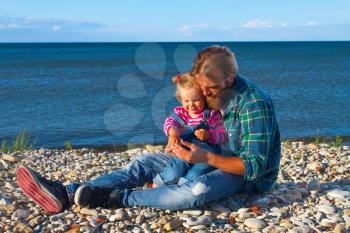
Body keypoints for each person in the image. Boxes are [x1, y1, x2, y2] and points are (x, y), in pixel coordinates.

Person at [17, 45, 281, 213]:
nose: (204, 93)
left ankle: (119, 199)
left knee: (195, 192)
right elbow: (189, 121)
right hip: (203, 153)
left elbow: (253, 167)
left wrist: (205, 158)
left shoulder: (253, 104)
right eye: (200, 86)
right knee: (142, 163)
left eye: (209, 88)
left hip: (239, 172)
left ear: (230, 79)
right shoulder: (208, 90)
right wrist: (176, 136)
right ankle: (68, 192)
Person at [155, 72, 227, 186]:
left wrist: (209, 135)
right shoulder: (180, 112)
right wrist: (173, 133)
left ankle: (184, 186)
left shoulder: (211, 114)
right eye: (186, 101)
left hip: (206, 152)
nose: (191, 104)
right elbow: (170, 122)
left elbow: (223, 134)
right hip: (184, 148)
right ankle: (160, 183)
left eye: (196, 100)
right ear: (180, 98)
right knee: (175, 169)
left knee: (198, 171)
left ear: (204, 97)